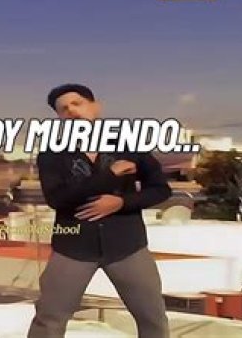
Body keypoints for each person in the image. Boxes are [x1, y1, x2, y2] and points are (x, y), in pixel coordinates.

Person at [28, 83, 172, 338]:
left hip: (128, 246)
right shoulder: (52, 155)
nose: (71, 111)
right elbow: (57, 199)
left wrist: (121, 203)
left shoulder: (129, 146)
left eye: (77, 103)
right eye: (63, 109)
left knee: (153, 318)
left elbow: (161, 189)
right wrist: (110, 176)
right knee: (49, 320)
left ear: (95, 107)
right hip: (73, 248)